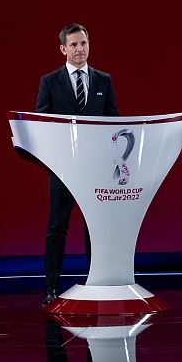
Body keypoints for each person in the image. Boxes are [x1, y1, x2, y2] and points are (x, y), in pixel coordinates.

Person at [35, 23, 119, 305]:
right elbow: (41, 126)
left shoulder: (104, 80)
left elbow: (113, 123)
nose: (80, 49)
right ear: (63, 49)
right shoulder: (50, 82)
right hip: (62, 169)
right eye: (74, 44)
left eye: (84, 43)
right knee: (57, 227)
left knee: (94, 227)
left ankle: (97, 281)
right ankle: (51, 289)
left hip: (95, 169)